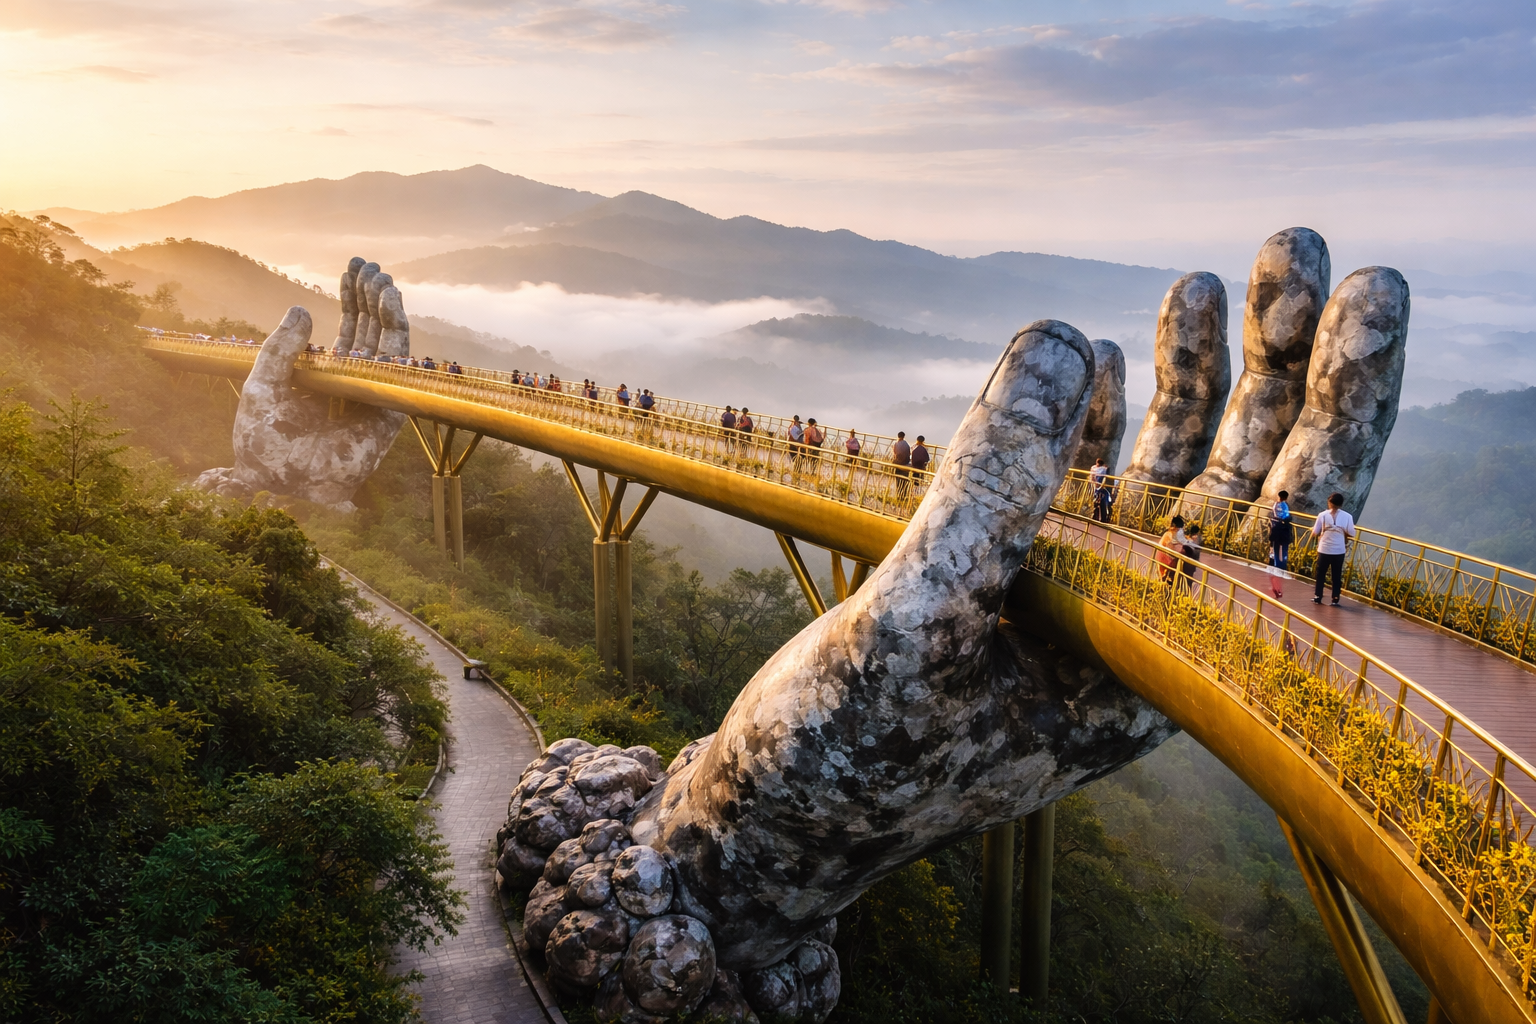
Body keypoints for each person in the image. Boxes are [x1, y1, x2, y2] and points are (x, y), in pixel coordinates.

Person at [1312, 492, 1355, 605]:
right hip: (1339, 550)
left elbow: (1315, 532)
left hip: (1324, 548)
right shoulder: (1347, 516)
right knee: (1336, 574)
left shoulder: (1322, 515)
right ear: (1341, 504)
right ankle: (1335, 598)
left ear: (1330, 503)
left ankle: (1318, 596)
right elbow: (1352, 532)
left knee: (1321, 573)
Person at [1156, 515, 1187, 586]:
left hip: (1161, 558)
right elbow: (1178, 549)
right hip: (1168, 559)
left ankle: (1166, 577)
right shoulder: (1173, 534)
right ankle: (1170, 578)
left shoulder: (1167, 533)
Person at [1270, 489, 1294, 569]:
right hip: (1283, 529)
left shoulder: (1275, 504)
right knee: (1283, 548)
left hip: (1275, 527)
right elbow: (1286, 516)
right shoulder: (1284, 505)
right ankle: (1281, 564)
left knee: (1275, 547)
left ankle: (1274, 562)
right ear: (1286, 497)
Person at [1180, 523, 1203, 591]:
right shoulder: (1190, 543)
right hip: (1188, 565)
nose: (1197, 536)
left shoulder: (1191, 543)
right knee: (1187, 581)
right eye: (1195, 535)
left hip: (1189, 566)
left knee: (1187, 580)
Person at [892, 431, 912, 500]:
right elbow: (909, 453)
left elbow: (895, 453)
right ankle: (904, 495)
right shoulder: (907, 444)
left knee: (898, 480)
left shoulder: (896, 444)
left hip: (898, 464)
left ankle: (898, 495)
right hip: (905, 464)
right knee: (904, 480)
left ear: (898, 436)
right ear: (904, 437)